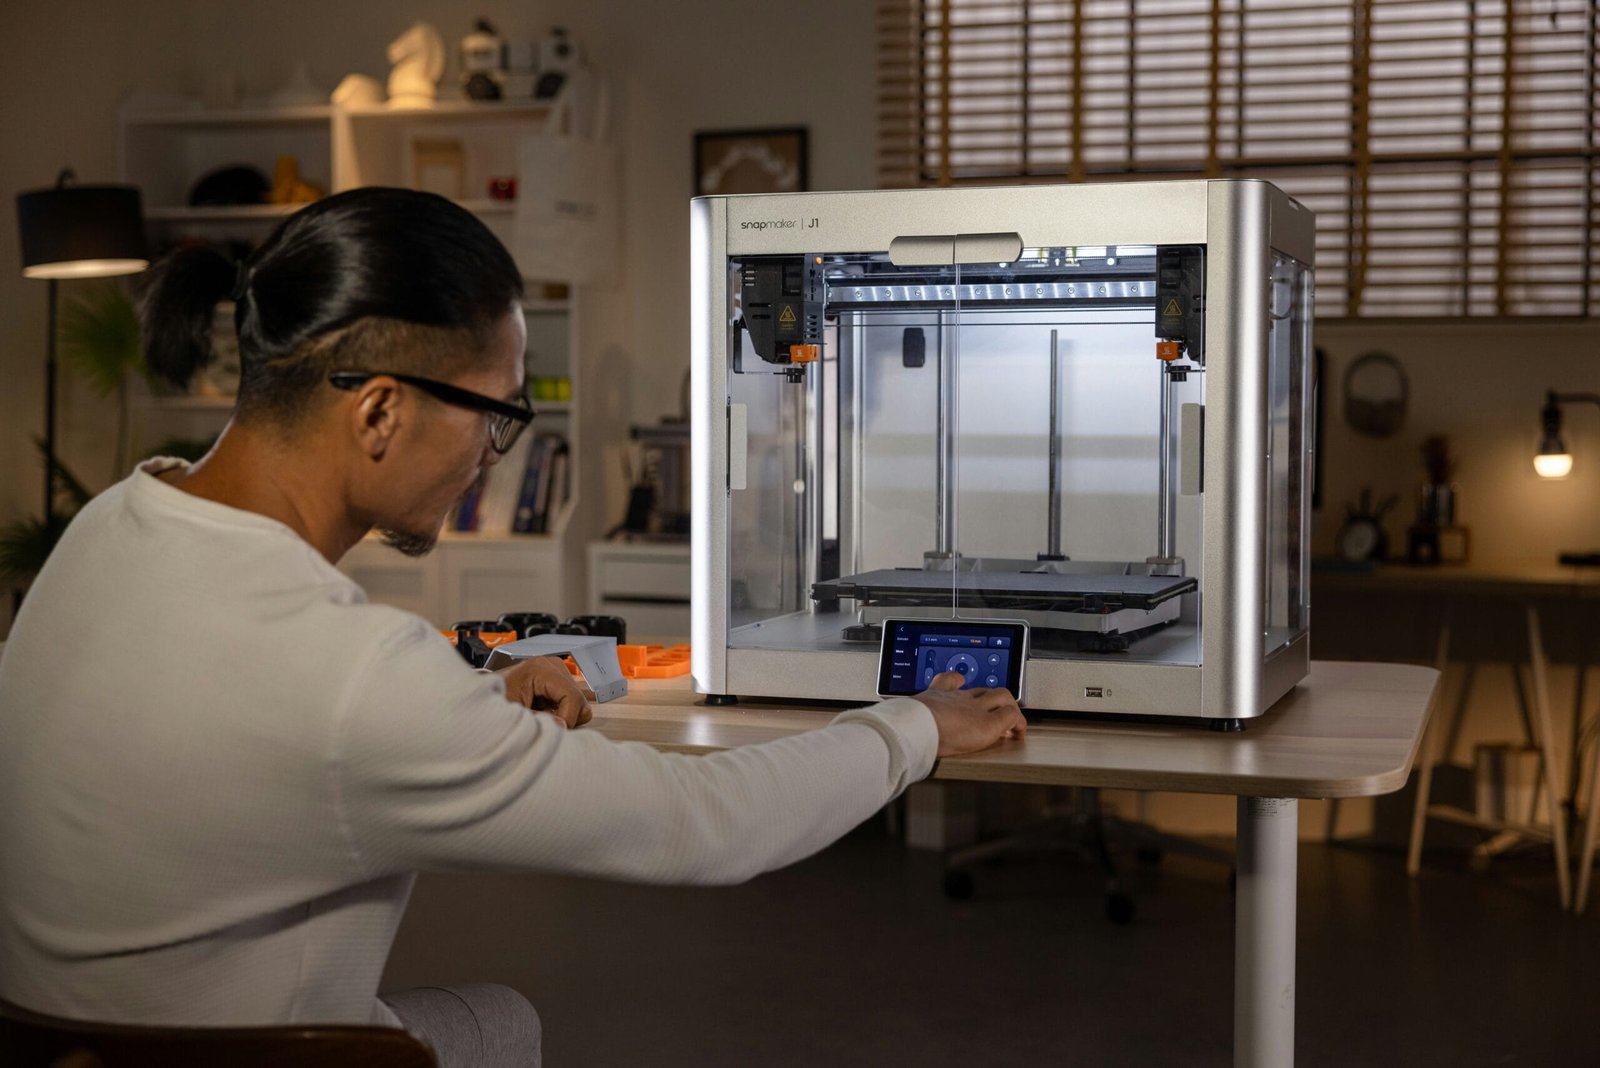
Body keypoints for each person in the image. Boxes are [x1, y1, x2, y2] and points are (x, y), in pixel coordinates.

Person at [0, 188, 1026, 1067]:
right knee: (500, 1023)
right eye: (495, 413)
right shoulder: (352, 674)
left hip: (68, 1039)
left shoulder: (116, 521)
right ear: (380, 414)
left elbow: (245, 724)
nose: (496, 450)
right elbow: (705, 823)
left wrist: (466, 709)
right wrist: (915, 727)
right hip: (251, 1060)